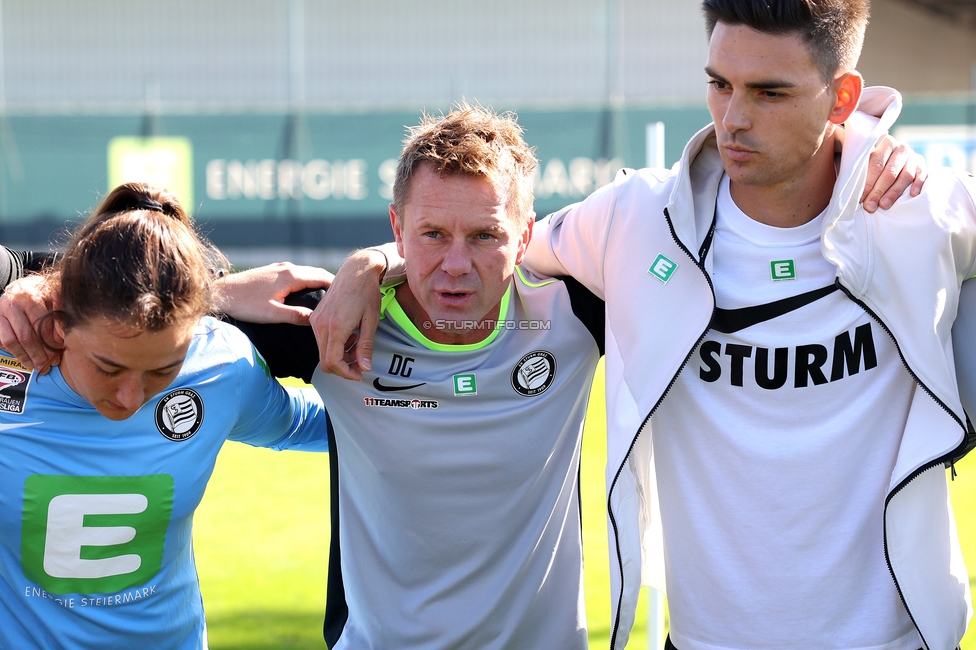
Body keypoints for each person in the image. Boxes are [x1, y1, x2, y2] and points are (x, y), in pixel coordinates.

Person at [312, 2, 976, 649]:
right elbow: (493, 246)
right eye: (719, 84)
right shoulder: (634, 221)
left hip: (899, 636)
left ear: (842, 98)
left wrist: (877, 148)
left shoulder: (924, 214)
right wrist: (373, 263)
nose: (733, 119)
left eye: (770, 92)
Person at [216, 104, 605, 649]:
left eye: (484, 236)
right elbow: (114, 312)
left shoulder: (574, 314)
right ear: (398, 228)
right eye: (433, 234)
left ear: (524, 237)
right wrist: (213, 294)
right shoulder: (333, 322)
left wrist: (370, 259)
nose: (455, 264)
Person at [0, 183, 329, 649]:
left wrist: (429, 413)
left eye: (163, 371)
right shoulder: (7, 363)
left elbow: (304, 423)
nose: (131, 395)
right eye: (107, 367)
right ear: (61, 326)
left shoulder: (220, 363)